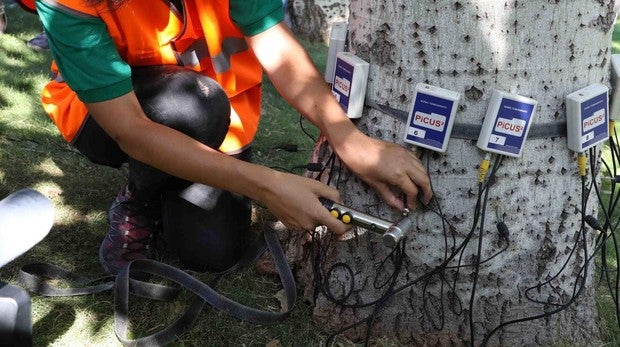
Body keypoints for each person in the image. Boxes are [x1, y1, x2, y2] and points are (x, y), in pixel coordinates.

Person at [32, 0, 432, 275]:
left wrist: (350, 139)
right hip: (107, 116)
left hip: (222, 123)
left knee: (213, 252)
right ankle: (140, 197)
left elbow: (273, 42)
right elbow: (130, 129)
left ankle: (171, 179)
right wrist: (267, 186)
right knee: (191, 106)